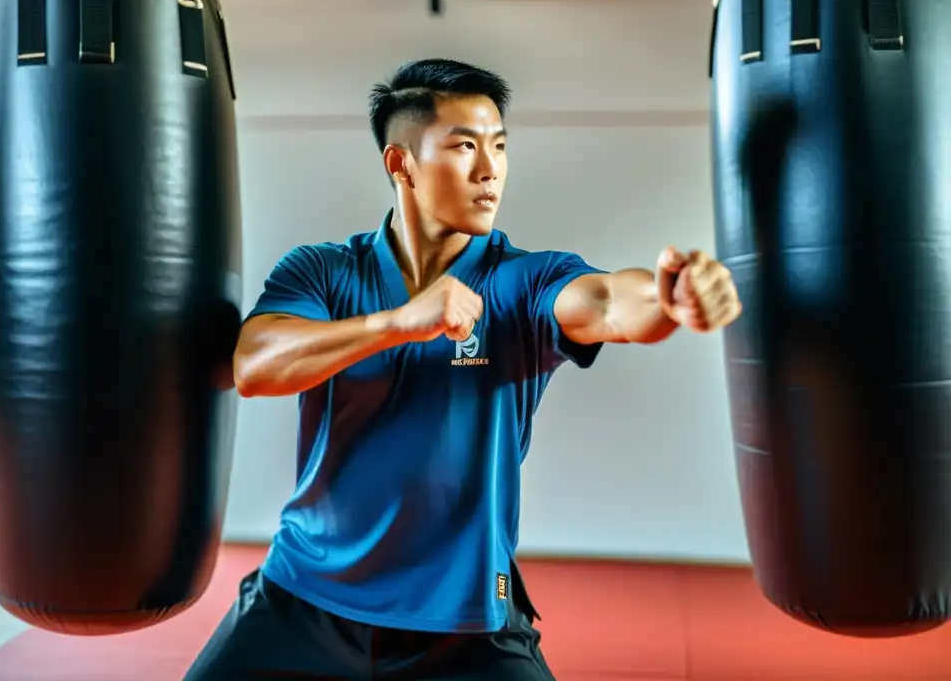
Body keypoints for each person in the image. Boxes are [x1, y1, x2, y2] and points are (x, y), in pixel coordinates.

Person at [184, 58, 742, 680]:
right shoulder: (323, 272)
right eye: (465, 147)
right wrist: (398, 323)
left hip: (465, 624)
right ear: (402, 164)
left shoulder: (517, 282)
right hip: (305, 598)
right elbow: (255, 366)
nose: (490, 171)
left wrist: (669, 299)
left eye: (500, 147)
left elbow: (609, 302)